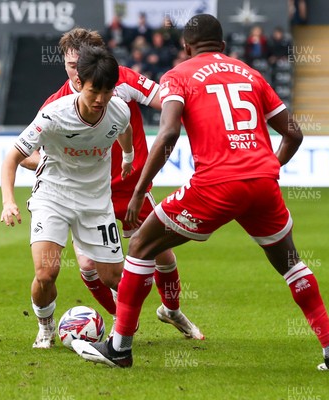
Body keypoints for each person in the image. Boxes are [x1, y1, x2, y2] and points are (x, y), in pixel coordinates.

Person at [73, 14, 329, 372]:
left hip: (215, 184)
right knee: (291, 264)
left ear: (186, 48)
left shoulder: (179, 75)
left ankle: (120, 348)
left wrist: (141, 187)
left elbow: (170, 132)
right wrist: (271, 169)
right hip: (261, 182)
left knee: (141, 245)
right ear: (222, 46)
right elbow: (294, 133)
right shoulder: (250, 73)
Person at [21, 28, 203, 340]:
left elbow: (166, 102)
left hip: (132, 187)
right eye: (70, 65)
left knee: (162, 252)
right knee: (90, 266)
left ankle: (171, 310)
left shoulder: (123, 81)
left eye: (81, 63)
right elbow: (25, 154)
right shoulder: (57, 104)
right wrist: (61, 165)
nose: (76, 72)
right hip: (85, 193)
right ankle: (120, 320)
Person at [1, 45, 134, 349]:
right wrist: (9, 201)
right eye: (93, 91)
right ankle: (46, 327)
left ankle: (120, 331)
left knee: (115, 277)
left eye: (108, 90)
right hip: (53, 196)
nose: (100, 99)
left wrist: (128, 155)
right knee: (47, 272)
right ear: (78, 84)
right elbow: (13, 157)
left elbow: (123, 129)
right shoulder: (53, 115)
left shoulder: (118, 109)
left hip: (96, 202)